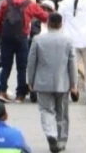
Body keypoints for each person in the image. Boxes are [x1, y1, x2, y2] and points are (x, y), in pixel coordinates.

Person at [27, 13, 78, 153]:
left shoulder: (37, 39)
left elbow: (31, 62)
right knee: (62, 113)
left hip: (43, 83)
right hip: (63, 83)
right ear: (61, 24)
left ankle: (51, 134)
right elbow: (72, 63)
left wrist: (30, 80)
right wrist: (74, 84)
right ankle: (61, 141)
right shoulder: (68, 40)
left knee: (46, 110)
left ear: (47, 23)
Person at [0, 0, 49, 103]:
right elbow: (45, 17)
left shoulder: (5, 3)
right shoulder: (30, 4)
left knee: (6, 66)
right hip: (22, 38)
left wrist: (1, 33)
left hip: (6, 38)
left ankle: (2, 91)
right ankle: (20, 95)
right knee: (21, 67)